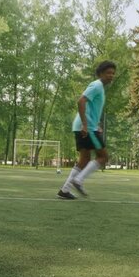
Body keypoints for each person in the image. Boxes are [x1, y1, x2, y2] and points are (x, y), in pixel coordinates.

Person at [57, 61, 116, 199]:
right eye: (108, 73)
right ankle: (79, 180)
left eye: (113, 73)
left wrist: (97, 124)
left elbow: (91, 108)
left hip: (85, 126)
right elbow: (81, 101)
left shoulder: (100, 87)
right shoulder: (96, 85)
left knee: (84, 159)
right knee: (103, 156)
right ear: (100, 73)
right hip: (87, 128)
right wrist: (85, 124)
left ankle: (65, 190)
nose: (111, 76)